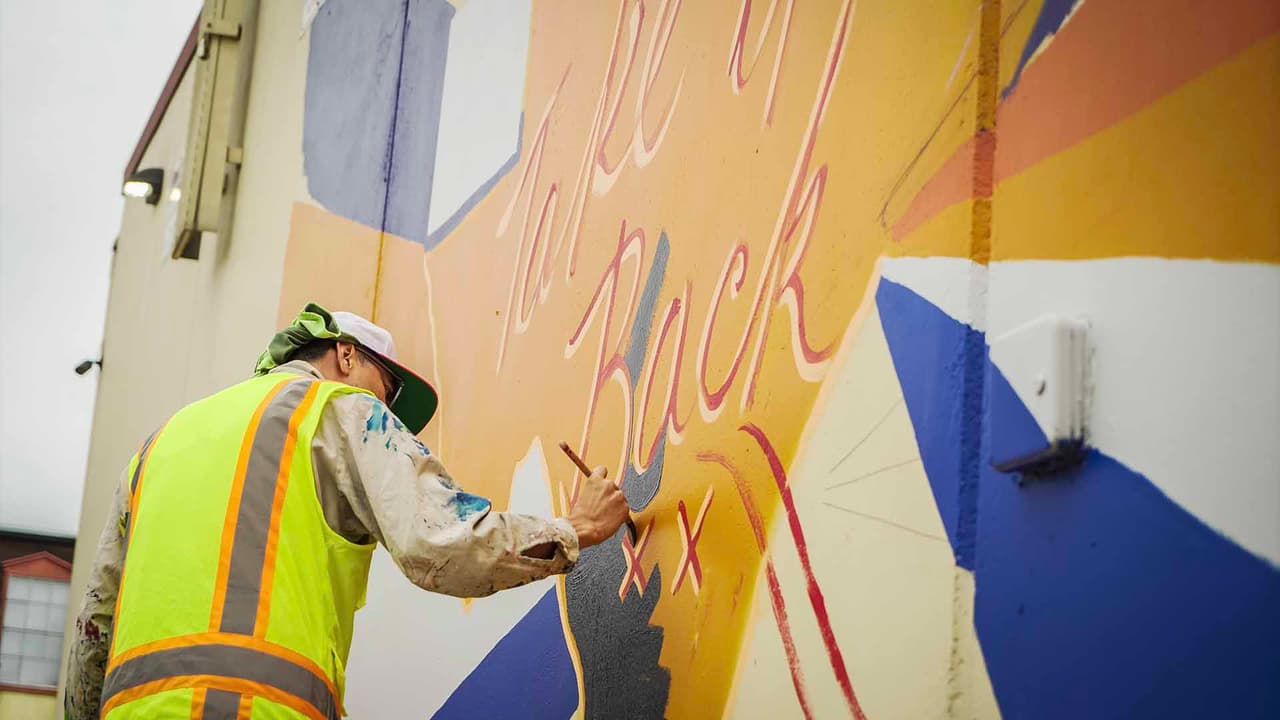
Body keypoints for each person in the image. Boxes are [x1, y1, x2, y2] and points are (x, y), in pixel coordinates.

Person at [65, 303, 630, 720]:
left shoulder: (158, 445)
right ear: (345, 354)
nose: (388, 411)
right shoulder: (336, 408)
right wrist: (573, 529)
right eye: (386, 392)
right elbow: (440, 543)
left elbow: (94, 636)